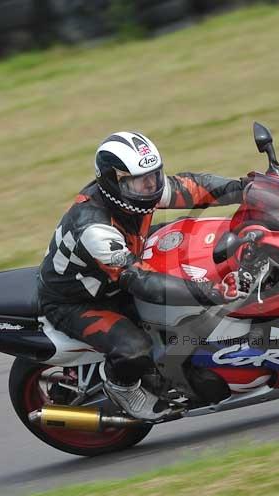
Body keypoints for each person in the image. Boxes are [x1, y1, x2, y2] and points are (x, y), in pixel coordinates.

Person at [38, 131, 245, 421]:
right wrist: (206, 291)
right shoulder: (94, 228)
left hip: (118, 268)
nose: (151, 186)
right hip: (79, 300)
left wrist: (245, 188)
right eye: (140, 180)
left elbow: (194, 188)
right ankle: (121, 387)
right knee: (135, 349)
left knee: (192, 237)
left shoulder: (135, 193)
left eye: (154, 175)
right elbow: (141, 282)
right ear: (114, 182)